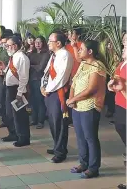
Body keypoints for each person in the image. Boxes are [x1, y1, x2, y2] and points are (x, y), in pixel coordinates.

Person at [67, 40, 106, 179]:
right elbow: (74, 83)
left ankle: (93, 167)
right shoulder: (83, 64)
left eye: (81, 49)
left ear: (90, 52)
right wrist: (72, 99)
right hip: (77, 106)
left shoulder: (97, 66)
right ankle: (83, 163)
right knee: (80, 137)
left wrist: (73, 99)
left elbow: (91, 89)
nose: (78, 51)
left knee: (90, 137)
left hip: (90, 106)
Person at [41, 31, 73, 163]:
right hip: (49, 92)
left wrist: (47, 89)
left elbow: (61, 78)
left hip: (58, 92)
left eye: (50, 40)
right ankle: (57, 146)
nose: (48, 43)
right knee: (53, 122)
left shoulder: (65, 55)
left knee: (59, 122)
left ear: (58, 43)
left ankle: (60, 152)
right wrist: (42, 86)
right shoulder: (54, 55)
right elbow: (46, 72)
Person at [0, 36, 31, 147]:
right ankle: (14, 133)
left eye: (8, 45)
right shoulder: (13, 57)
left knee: (20, 114)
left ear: (15, 46)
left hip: (18, 89)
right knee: (10, 113)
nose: (6, 47)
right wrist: (3, 69)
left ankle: (23, 137)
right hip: (10, 89)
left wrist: (20, 93)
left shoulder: (22, 58)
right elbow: (11, 71)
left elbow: (23, 78)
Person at [107, 34, 126, 189]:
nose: (124, 44)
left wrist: (123, 89)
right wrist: (112, 85)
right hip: (120, 107)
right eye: (124, 41)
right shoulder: (122, 63)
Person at [28, 36, 50, 129]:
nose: (37, 44)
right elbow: (26, 64)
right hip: (31, 79)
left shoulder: (46, 54)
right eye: (36, 42)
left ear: (43, 43)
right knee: (32, 100)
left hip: (39, 80)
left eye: (39, 42)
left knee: (40, 101)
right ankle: (34, 119)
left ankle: (41, 121)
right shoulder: (31, 53)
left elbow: (41, 68)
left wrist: (31, 65)